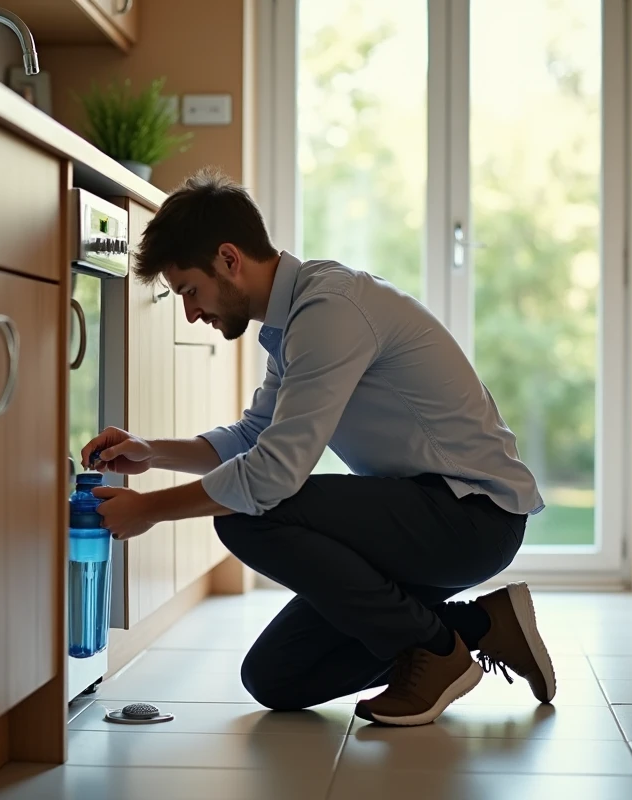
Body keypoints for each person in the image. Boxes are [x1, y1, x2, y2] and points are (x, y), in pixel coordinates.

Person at [80, 169, 554, 727]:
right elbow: (255, 436)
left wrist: (150, 511)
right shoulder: (294, 322)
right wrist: (151, 452)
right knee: (277, 677)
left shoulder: (329, 310)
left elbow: (271, 476)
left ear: (229, 259)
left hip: (472, 517)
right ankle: (479, 627)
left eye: (189, 290)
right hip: (426, 516)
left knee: (248, 515)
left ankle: (436, 653)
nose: (191, 311)